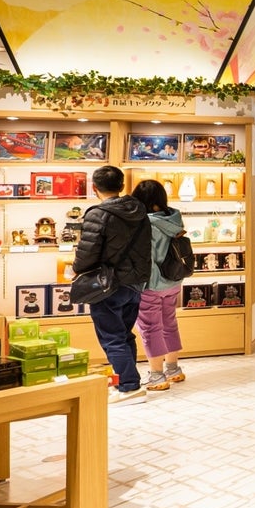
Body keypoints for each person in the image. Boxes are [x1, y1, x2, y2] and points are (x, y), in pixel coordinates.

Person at [74, 165, 151, 404]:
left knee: (112, 337)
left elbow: (87, 253)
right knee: (124, 335)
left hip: (108, 284)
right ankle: (129, 383)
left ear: (94, 187)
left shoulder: (97, 214)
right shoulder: (139, 210)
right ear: (122, 185)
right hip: (135, 283)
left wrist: (77, 269)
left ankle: (129, 387)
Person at [132, 179, 186, 392]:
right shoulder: (174, 218)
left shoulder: (144, 223)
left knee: (150, 327)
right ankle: (173, 369)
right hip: (173, 281)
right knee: (169, 323)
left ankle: (156, 376)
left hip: (150, 284)